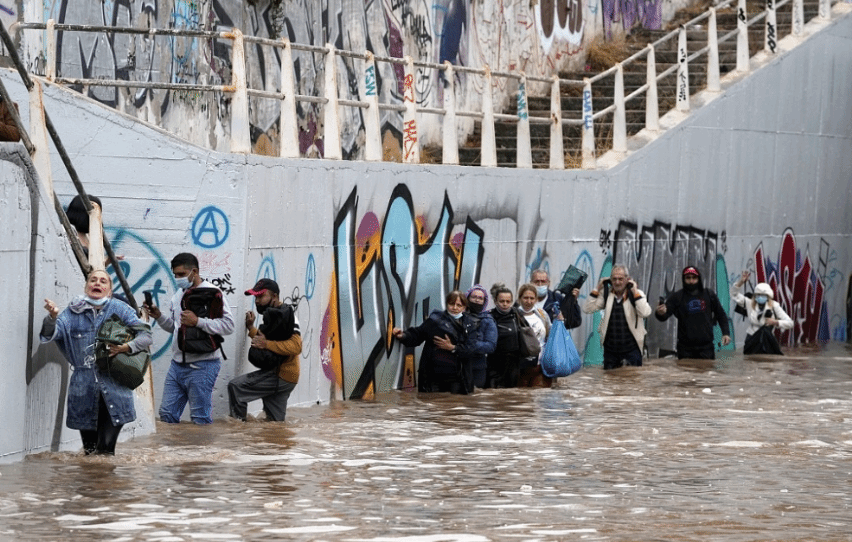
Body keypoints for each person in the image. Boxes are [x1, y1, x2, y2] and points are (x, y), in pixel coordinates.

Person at [40, 270, 152, 455]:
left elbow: (146, 335)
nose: (97, 283)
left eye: (102, 281)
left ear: (109, 290)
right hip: (83, 390)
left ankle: (104, 481)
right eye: (93, 280)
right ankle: (92, 484)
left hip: (115, 389)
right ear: (86, 287)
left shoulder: (120, 309)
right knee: (89, 452)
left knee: (105, 451)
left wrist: (125, 347)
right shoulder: (72, 312)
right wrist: (52, 317)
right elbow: (50, 334)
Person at [145, 253, 235, 424]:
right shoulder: (179, 295)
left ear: (194, 271)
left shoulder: (213, 293)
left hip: (203, 365)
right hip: (177, 365)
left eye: (181, 274)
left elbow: (228, 325)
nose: (178, 278)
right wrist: (159, 316)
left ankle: (203, 451)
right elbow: (176, 328)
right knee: (166, 416)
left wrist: (198, 321)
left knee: (200, 420)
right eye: (175, 275)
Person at [228, 279, 302, 421]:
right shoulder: (275, 315)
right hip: (287, 376)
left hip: (280, 374)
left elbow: (296, 346)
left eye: (261, 296)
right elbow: (267, 340)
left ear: (274, 296)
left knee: (236, 387)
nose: (257, 301)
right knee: (274, 426)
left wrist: (266, 344)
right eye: (255, 297)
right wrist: (251, 328)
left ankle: (239, 433)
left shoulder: (288, 317)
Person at [392, 290, 473, 394]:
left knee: (455, 407)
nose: (455, 308)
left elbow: (471, 349)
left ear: (464, 308)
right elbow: (418, 335)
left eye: (459, 305)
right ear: (447, 304)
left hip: (457, 379)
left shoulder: (469, 325)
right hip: (433, 376)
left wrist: (452, 347)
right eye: (452, 304)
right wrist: (402, 335)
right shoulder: (435, 321)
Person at [582, 264, 652, 370]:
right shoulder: (607, 294)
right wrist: (597, 288)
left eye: (620, 279)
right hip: (611, 350)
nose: (617, 282)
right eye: (614, 279)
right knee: (610, 382)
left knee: (633, 382)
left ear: (627, 279)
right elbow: (587, 308)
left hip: (632, 349)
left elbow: (646, 312)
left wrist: (635, 292)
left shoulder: (636, 294)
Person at [655, 265, 731, 359]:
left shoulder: (709, 294)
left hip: (706, 348)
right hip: (685, 349)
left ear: (698, 279)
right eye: (688, 278)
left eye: (694, 278)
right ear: (684, 279)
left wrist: (726, 333)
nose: (691, 281)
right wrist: (660, 312)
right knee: (687, 373)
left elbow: (721, 314)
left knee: (707, 372)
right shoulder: (677, 297)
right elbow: (664, 315)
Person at [730, 271, 793, 355]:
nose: (760, 297)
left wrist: (776, 322)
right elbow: (734, 294)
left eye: (763, 295)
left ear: (768, 296)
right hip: (751, 339)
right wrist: (741, 281)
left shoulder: (774, 306)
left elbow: (790, 323)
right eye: (758, 295)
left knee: (768, 365)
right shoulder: (749, 303)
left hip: (767, 339)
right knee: (751, 362)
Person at [517, 282, 552, 387]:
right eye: (525, 298)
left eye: (532, 298)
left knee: (539, 398)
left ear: (536, 299)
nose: (529, 301)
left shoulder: (542, 314)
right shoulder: (514, 314)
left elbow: (549, 336)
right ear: (519, 299)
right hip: (520, 366)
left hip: (540, 365)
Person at [487, 283, 523, 388]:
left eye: (508, 301)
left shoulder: (517, 315)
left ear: (511, 302)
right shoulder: (489, 317)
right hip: (494, 362)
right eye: (502, 301)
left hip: (514, 363)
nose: (505, 304)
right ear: (495, 301)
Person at [464, 285, 497, 388]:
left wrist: (468, 345)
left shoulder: (488, 320)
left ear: (484, 301)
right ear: (467, 298)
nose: (477, 300)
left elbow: (490, 346)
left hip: (478, 367)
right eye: (474, 297)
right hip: (458, 365)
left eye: (480, 298)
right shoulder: (459, 316)